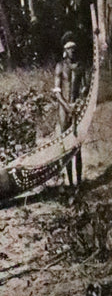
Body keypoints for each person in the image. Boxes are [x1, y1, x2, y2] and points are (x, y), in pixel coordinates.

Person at [53, 31, 87, 187]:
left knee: (77, 146)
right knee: (67, 147)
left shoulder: (80, 66)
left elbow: (85, 87)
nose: (72, 51)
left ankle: (79, 183)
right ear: (65, 50)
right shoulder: (60, 67)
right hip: (64, 109)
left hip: (77, 108)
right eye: (69, 48)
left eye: (74, 48)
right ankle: (70, 183)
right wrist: (67, 107)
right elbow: (57, 92)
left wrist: (80, 102)